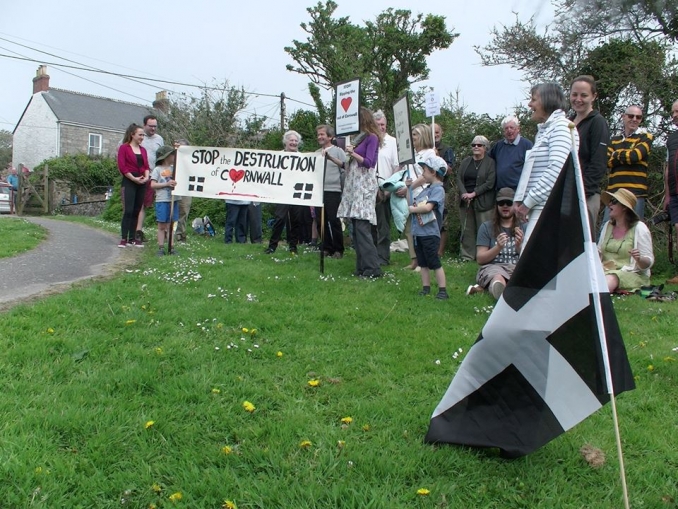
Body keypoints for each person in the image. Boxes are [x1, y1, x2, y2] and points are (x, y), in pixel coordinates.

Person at [514, 83, 579, 248]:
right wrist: (520, 199)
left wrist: (528, 202)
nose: (530, 104)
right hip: (541, 207)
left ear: (547, 101)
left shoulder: (562, 127)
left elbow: (556, 170)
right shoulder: (545, 131)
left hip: (550, 208)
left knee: (532, 262)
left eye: (533, 99)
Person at [337, 107, 383, 278]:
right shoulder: (359, 138)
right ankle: (362, 267)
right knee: (356, 229)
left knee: (363, 229)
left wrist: (353, 153)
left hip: (364, 187)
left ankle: (373, 268)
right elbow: (348, 164)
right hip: (354, 187)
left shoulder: (372, 138)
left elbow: (369, 162)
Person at [467, 188, 525, 299]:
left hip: (516, 267)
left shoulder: (524, 227)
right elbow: (480, 259)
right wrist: (498, 247)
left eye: (508, 203)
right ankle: (499, 292)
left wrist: (519, 247)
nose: (505, 206)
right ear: (496, 205)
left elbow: (530, 259)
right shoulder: (486, 227)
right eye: (501, 203)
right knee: (498, 277)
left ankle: (482, 289)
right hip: (494, 266)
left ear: (515, 205)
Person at [569, 75, 610, 231]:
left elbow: (598, 163)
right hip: (566, 193)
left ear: (594, 96)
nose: (578, 99)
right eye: (574, 94)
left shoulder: (597, 122)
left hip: (586, 196)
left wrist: (581, 194)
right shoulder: (568, 122)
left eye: (584, 95)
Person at [408, 155, 449, 299]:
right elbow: (411, 202)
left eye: (424, 170)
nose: (422, 173)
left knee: (434, 262)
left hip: (430, 233)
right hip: (418, 233)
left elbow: (428, 208)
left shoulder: (438, 190)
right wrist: (409, 188)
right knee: (423, 262)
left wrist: (413, 210)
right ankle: (426, 288)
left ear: (433, 172)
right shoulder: (426, 189)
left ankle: (442, 290)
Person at [598, 188, 654, 292]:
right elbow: (599, 252)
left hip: (631, 274)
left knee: (612, 277)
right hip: (604, 271)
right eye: (610, 201)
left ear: (624, 207)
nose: (610, 204)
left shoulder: (640, 228)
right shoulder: (607, 226)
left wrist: (639, 259)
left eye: (614, 201)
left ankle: (597, 297)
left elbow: (648, 263)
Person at [605, 105, 654, 220]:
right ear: (623, 117)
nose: (634, 119)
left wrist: (616, 154)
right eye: (631, 116)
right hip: (614, 194)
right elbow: (607, 162)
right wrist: (626, 155)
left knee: (634, 230)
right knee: (607, 228)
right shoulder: (614, 140)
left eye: (638, 117)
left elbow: (635, 156)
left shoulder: (646, 137)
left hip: (635, 194)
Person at [401, 123, 437, 271]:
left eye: (415, 134)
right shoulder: (411, 154)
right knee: (410, 227)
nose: (412, 137)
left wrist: (411, 186)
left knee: (424, 227)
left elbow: (426, 175)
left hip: (423, 193)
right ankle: (414, 259)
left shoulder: (430, 153)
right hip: (410, 195)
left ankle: (425, 261)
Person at [456, 135, 496, 261]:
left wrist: (474, 194)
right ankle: (467, 256)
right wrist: (464, 194)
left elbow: (490, 182)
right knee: (467, 228)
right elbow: (459, 178)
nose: (476, 147)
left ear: (485, 147)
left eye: (479, 145)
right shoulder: (465, 162)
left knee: (483, 228)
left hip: (483, 202)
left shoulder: (490, 163)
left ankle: (484, 255)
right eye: (473, 145)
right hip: (465, 201)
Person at [265, 131, 304, 255]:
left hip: (297, 193)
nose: (293, 143)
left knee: (296, 220)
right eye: (291, 140)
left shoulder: (303, 157)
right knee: (279, 219)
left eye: (295, 141)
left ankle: (293, 246)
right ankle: (272, 246)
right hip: (282, 192)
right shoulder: (278, 156)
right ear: (285, 142)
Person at [373, 110, 400, 265]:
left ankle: (383, 257)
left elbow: (396, 166)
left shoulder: (391, 141)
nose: (380, 127)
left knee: (383, 224)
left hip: (385, 187)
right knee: (370, 224)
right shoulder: (368, 140)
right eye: (377, 125)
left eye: (383, 124)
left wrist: (388, 187)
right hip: (369, 188)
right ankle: (371, 253)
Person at [117, 123, 149, 248]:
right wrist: (134, 179)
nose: (142, 137)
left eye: (143, 135)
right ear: (132, 135)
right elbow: (122, 167)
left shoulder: (143, 150)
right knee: (128, 210)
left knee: (137, 210)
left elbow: (146, 166)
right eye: (140, 134)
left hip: (141, 182)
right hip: (129, 181)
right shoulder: (124, 148)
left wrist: (146, 177)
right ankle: (124, 238)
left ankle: (133, 238)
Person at [317, 124, 347, 258]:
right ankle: (326, 247)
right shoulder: (317, 152)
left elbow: (345, 168)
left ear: (330, 136)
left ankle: (338, 249)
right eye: (318, 135)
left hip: (333, 190)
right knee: (320, 221)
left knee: (334, 220)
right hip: (318, 192)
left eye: (322, 134)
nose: (320, 137)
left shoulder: (338, 151)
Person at [136, 115, 164, 242]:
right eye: (150, 126)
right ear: (144, 125)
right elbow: (122, 149)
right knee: (137, 205)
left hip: (152, 176)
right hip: (138, 175)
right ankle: (136, 231)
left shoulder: (159, 139)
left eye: (155, 126)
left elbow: (162, 157)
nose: (153, 129)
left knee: (145, 205)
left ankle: (138, 231)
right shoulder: (139, 136)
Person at [150, 145, 180, 256]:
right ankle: (161, 247)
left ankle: (171, 247)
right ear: (166, 156)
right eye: (172, 154)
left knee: (172, 225)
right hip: (162, 200)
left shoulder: (175, 169)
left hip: (174, 200)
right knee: (162, 225)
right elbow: (152, 184)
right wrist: (166, 184)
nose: (174, 156)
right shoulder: (157, 170)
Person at [489, 115, 533, 191]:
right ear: (503, 131)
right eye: (506, 128)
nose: (509, 130)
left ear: (518, 129)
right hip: (500, 190)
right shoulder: (498, 146)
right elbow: (488, 159)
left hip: (518, 190)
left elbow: (532, 167)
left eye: (511, 128)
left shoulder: (527, 145)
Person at [434, 123, 456, 257]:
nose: (435, 135)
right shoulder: (424, 148)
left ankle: (440, 251)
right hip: (427, 189)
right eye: (432, 132)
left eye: (437, 132)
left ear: (441, 133)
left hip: (443, 189)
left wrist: (438, 158)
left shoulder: (447, 149)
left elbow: (449, 171)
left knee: (443, 220)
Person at [664, 100, 678, 285]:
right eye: (673, 112)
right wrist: (667, 195)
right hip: (675, 193)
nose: (674, 115)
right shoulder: (671, 138)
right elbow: (668, 168)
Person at [173, 139, 192, 242]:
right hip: (173, 187)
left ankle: (180, 234)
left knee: (184, 211)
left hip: (186, 188)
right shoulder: (172, 157)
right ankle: (168, 234)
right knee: (171, 211)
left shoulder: (192, 159)